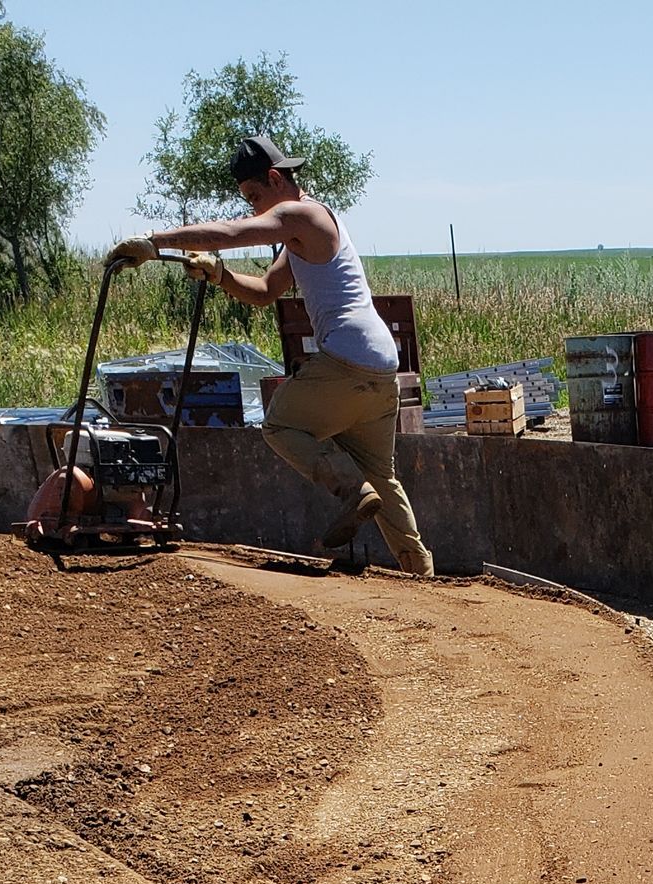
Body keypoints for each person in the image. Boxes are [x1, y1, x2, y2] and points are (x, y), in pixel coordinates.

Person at [112, 135, 432, 577]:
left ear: (276, 178)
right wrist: (220, 274)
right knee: (383, 475)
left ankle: (350, 490)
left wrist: (154, 241)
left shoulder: (301, 213)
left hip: (347, 356)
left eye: (256, 196)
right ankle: (420, 569)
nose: (256, 207)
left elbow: (232, 232)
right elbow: (265, 292)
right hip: (381, 367)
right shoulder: (304, 235)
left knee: (279, 425)